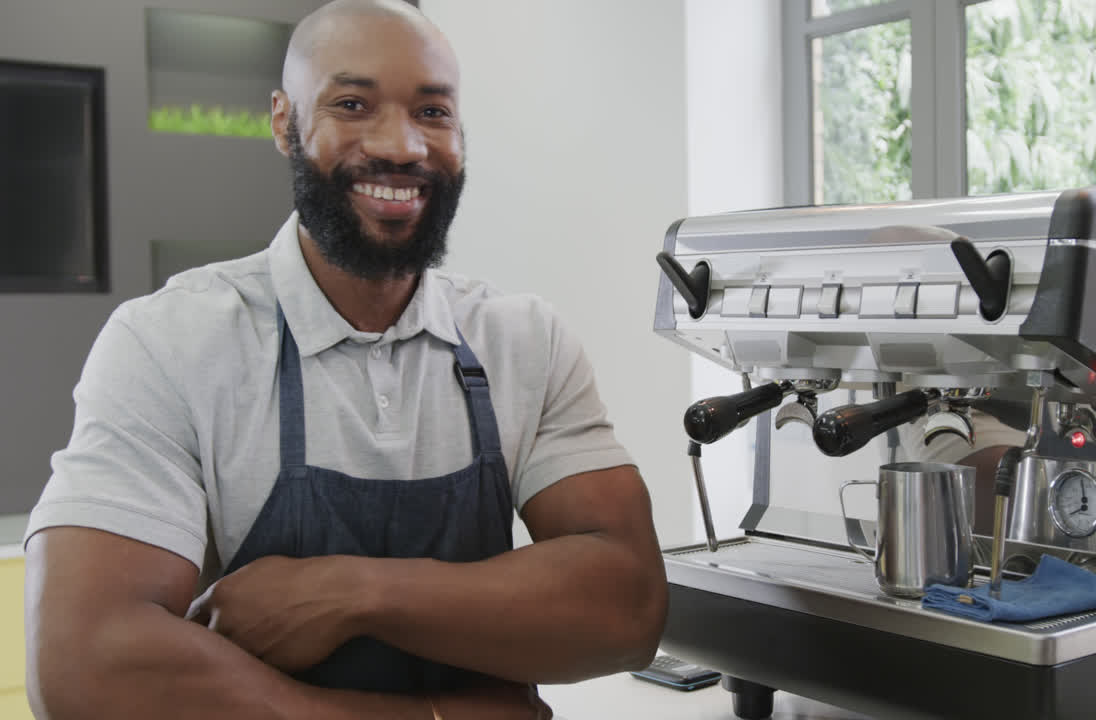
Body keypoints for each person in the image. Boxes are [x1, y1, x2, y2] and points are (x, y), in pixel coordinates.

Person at [23, 2, 667, 718]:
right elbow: (85, 668)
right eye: (353, 104)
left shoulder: (526, 341)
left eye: (432, 111)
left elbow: (630, 609)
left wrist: (353, 592)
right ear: (283, 121)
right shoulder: (169, 343)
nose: (401, 145)